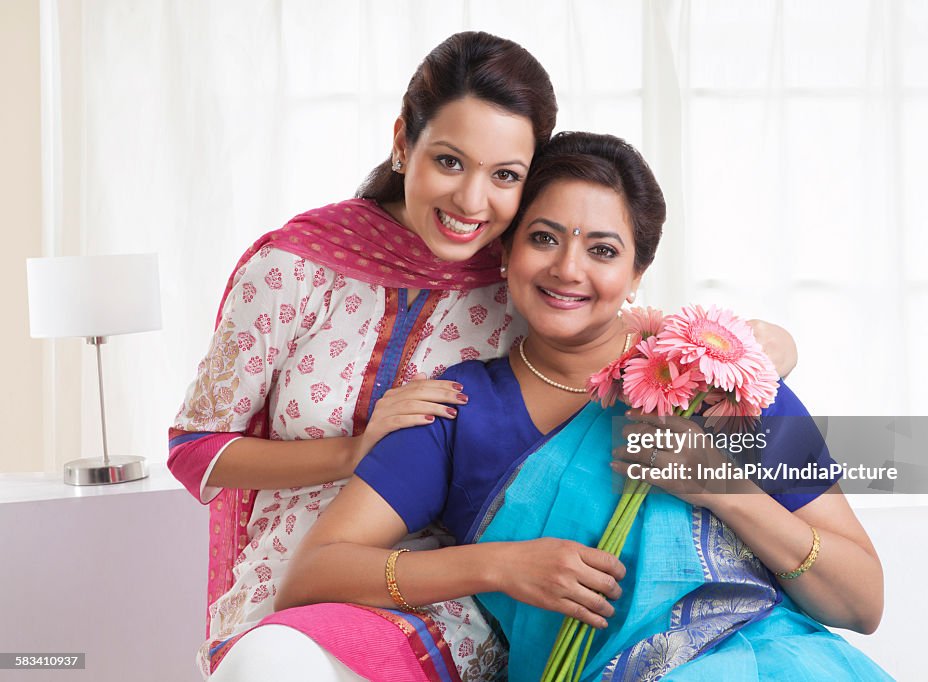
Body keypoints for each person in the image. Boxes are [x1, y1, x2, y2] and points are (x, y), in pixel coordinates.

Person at [170, 32, 797, 678]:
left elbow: (634, 317)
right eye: (448, 161)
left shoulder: (522, 284)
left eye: (504, 177)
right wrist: (354, 451)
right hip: (302, 571)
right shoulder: (292, 270)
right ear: (401, 142)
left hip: (464, 601)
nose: (471, 202)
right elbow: (193, 449)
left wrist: (768, 347)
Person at [243, 132, 892, 681]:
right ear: (506, 250)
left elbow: (862, 599)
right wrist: (498, 566)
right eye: (544, 238)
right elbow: (316, 572)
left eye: (603, 250)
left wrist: (722, 489)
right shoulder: (458, 409)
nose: (568, 269)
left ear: (637, 271)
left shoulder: (715, 379)